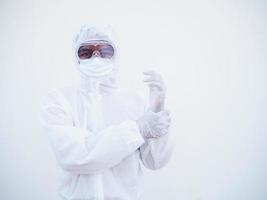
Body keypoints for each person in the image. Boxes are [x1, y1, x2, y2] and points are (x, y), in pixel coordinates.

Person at [40, 25, 173, 200]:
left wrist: (156, 112)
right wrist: (137, 130)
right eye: (86, 51)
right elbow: (76, 156)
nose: (96, 56)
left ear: (115, 55)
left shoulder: (134, 100)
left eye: (104, 50)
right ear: (76, 57)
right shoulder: (60, 100)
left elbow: (155, 162)